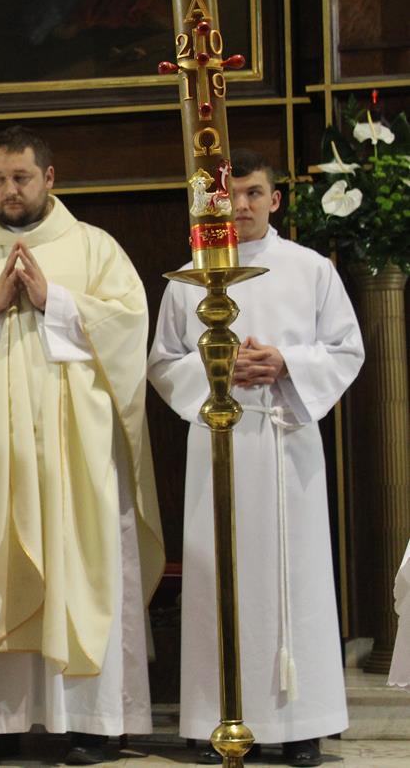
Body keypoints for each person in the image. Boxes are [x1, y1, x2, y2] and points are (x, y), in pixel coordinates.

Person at [0, 126, 164, 765]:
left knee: (80, 569)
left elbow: (130, 327)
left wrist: (57, 303)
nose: (8, 191)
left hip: (74, 457)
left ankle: (88, 724)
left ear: (50, 178)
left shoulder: (95, 249)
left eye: (20, 178)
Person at [148, 150, 364, 767]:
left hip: (285, 441)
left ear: (276, 199)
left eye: (253, 193)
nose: (241, 206)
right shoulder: (191, 277)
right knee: (217, 575)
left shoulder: (311, 269)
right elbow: (163, 363)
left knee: (295, 581)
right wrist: (219, 369)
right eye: (231, 195)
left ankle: (301, 725)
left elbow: (347, 349)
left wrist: (287, 363)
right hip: (218, 444)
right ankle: (214, 719)